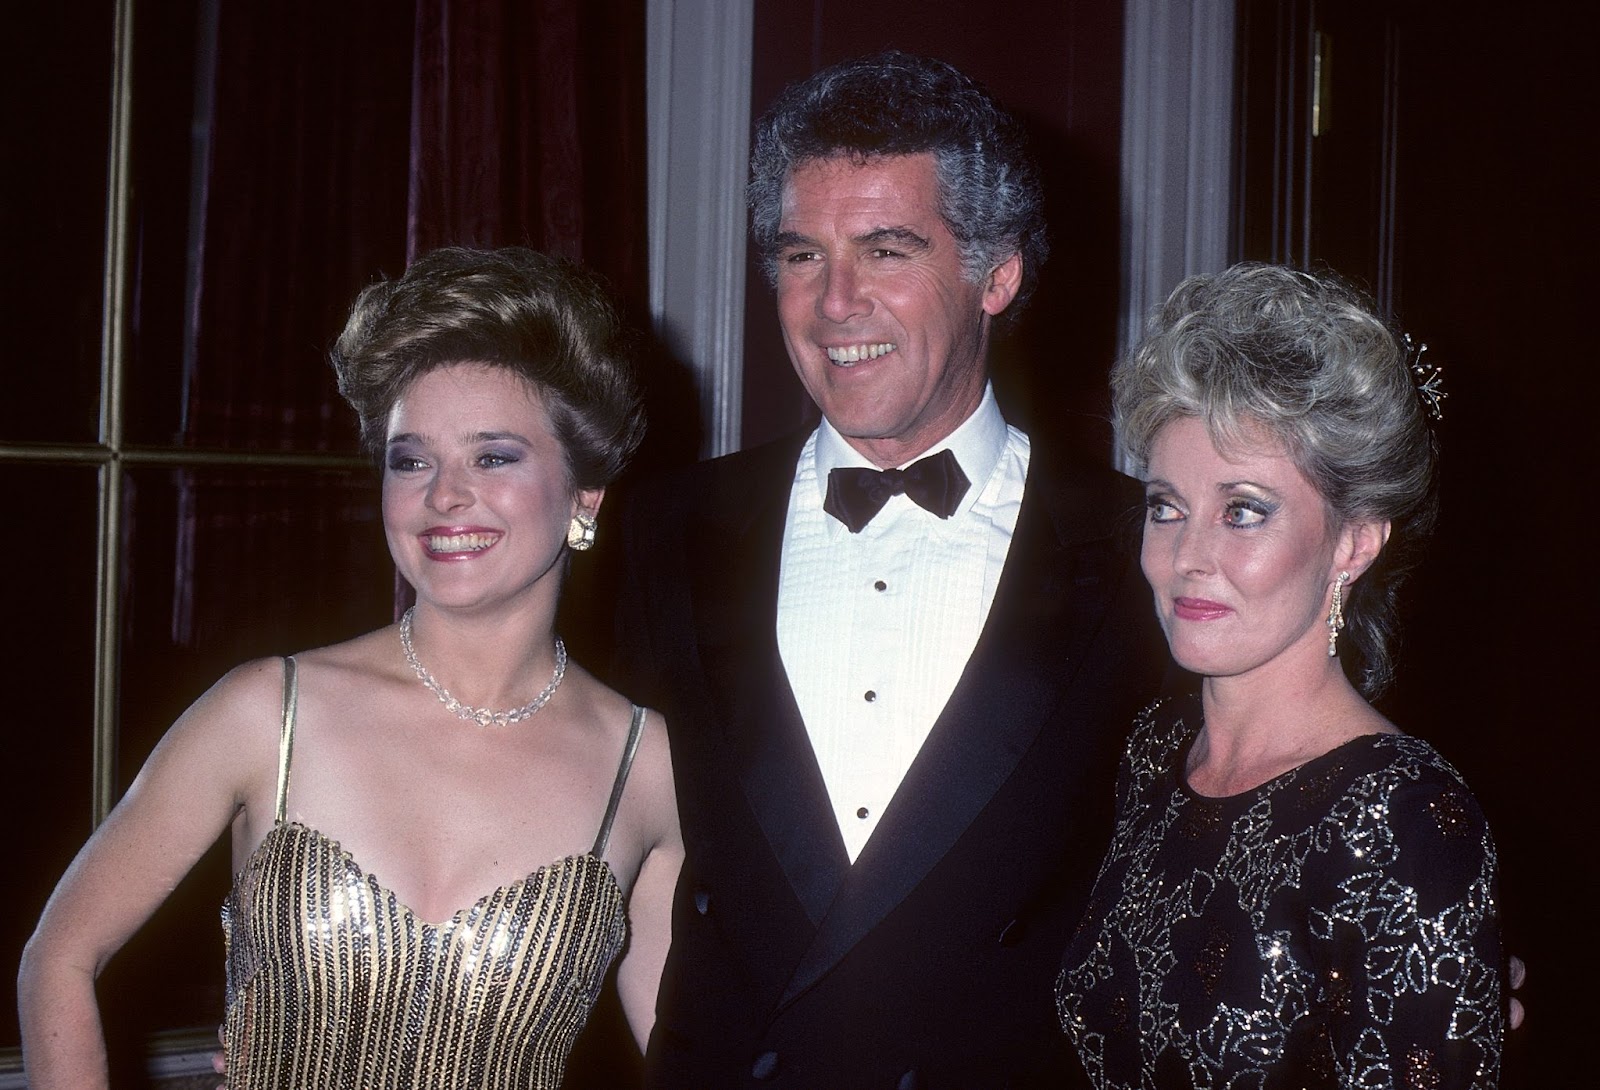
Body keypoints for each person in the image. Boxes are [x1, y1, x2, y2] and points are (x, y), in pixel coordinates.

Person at [611, 52, 1168, 1086]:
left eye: (886, 250)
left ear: (996, 272)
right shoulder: (661, 532)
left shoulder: (1147, 547)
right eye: (800, 256)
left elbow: (1232, 834)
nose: (834, 303)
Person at [18, 247, 684, 1090]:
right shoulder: (270, 712)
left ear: (584, 497)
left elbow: (689, 1053)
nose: (444, 494)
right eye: (412, 460)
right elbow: (61, 956)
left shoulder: (647, 765)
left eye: (494, 457)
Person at [1055, 263, 1502, 1086]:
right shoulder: (1158, 750)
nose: (1188, 557)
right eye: (1165, 506)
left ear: (1354, 544)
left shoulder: (1404, 817)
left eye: (1244, 510)